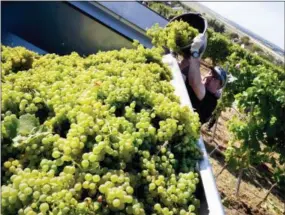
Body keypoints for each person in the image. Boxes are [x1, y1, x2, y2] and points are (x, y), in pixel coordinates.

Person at [179, 34, 227, 124]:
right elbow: (182, 69)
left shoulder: (211, 101)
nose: (209, 76)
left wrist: (195, 53)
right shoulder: (201, 86)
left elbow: (194, 82)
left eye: (214, 77)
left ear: (219, 87)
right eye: (210, 73)